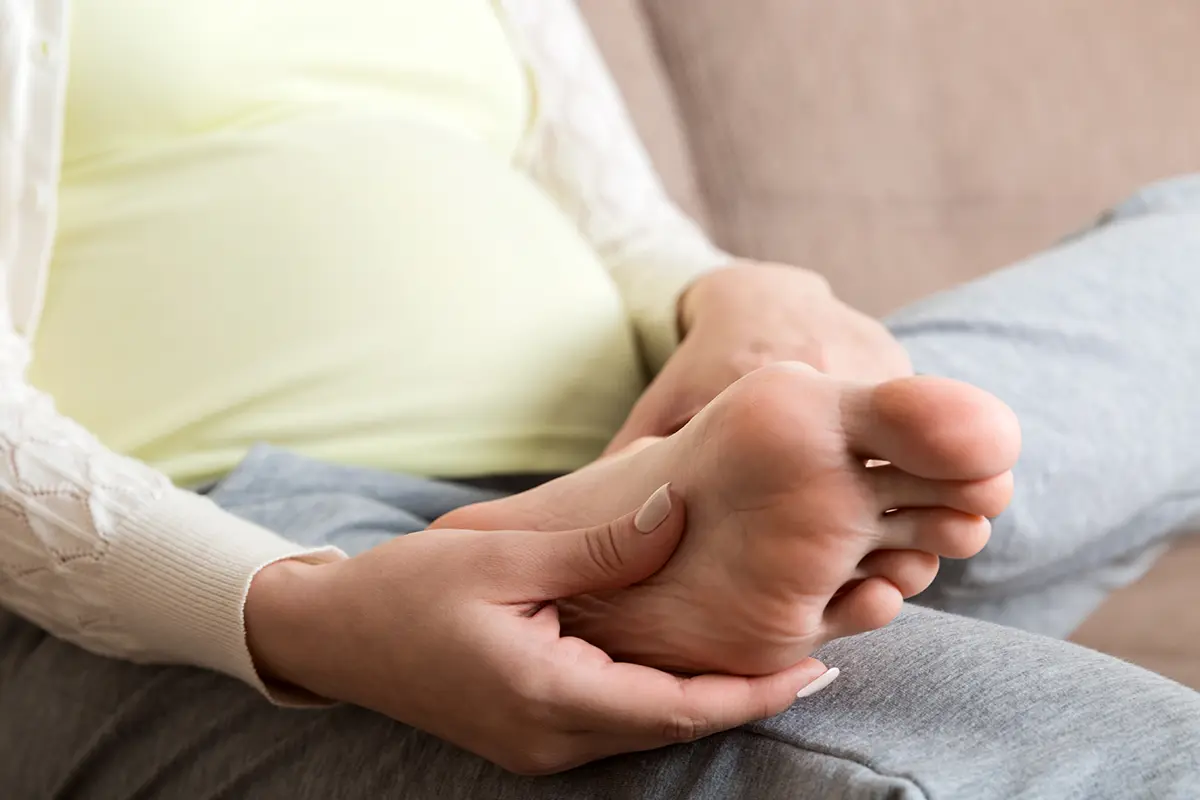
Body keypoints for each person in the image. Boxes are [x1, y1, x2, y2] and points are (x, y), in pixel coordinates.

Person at [1, 1, 1198, 797]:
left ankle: (711, 517)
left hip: (663, 440)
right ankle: (639, 563)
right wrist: (294, 609)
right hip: (259, 528)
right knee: (1088, 756)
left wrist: (739, 293)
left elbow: (620, 223)